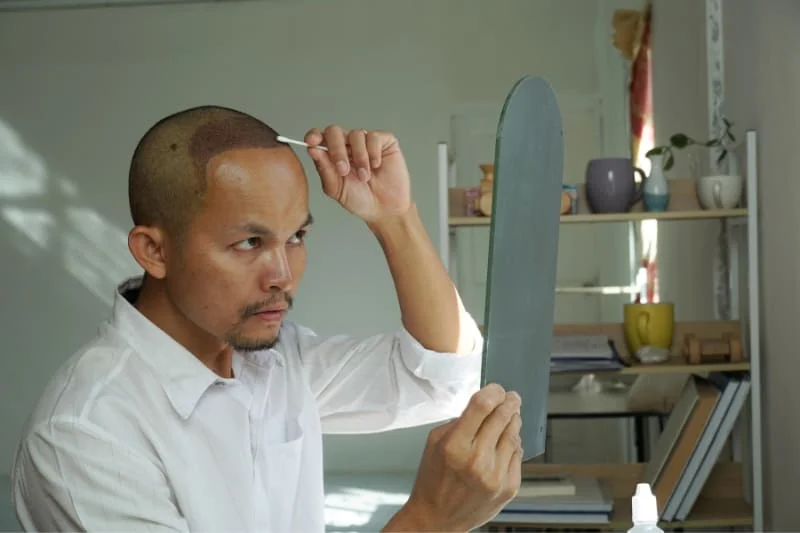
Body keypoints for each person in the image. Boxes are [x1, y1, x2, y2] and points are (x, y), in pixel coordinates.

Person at [11, 106, 523, 532]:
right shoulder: (85, 434)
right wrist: (429, 521)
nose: (283, 275)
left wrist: (396, 218)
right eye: (250, 242)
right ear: (154, 251)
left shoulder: (276, 361)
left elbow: (443, 376)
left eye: (296, 237)